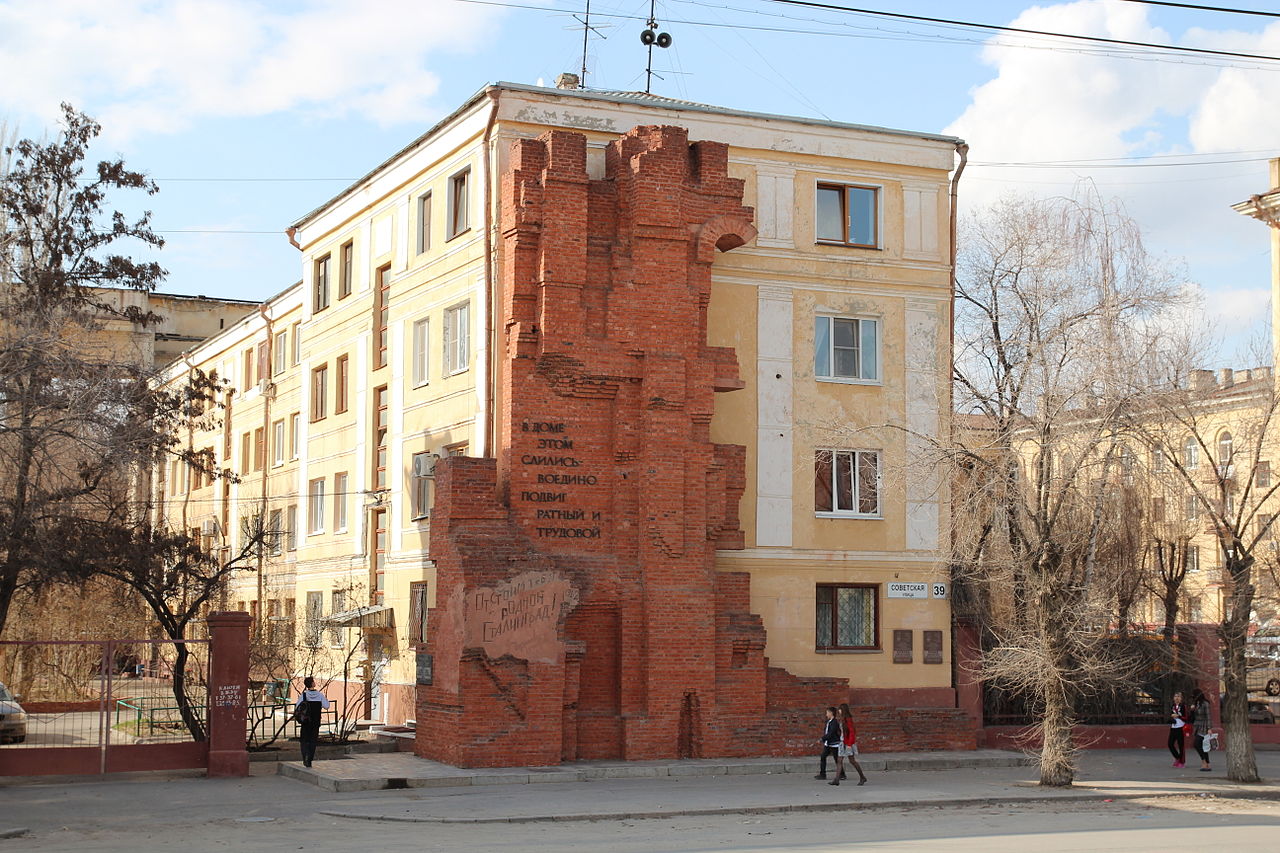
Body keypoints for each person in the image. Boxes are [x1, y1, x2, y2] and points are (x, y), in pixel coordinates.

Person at [294, 676, 331, 768]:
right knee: (313, 740)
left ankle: (305, 756)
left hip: (306, 722)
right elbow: (326, 706)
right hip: (316, 721)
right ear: (312, 684)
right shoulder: (319, 695)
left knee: (304, 740)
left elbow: (297, 707)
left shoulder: (304, 695)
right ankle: (309, 758)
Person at [830, 702, 868, 786]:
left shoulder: (848, 720)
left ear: (843, 710)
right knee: (839, 760)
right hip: (842, 742)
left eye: (839, 709)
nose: (838, 710)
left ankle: (862, 777)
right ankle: (836, 779)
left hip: (847, 743)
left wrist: (849, 744)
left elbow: (852, 733)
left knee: (852, 761)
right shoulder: (842, 719)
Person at [815, 706, 841, 780]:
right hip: (828, 743)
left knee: (837, 759)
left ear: (831, 713)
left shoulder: (834, 722)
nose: (826, 714)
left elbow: (831, 733)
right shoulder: (828, 722)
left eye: (827, 713)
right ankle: (822, 774)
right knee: (823, 757)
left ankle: (842, 774)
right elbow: (827, 732)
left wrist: (822, 739)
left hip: (834, 744)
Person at [1190, 688, 1212, 772]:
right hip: (1197, 726)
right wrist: (1192, 710)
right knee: (1202, 746)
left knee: (1198, 744)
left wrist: (1209, 728)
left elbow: (1208, 716)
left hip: (1204, 726)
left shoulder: (1205, 704)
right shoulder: (1196, 704)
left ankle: (1204, 762)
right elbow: (1192, 717)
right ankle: (1207, 763)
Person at [1168, 690, 1187, 768]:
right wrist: (1171, 717)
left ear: (1181, 698)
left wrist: (1178, 716)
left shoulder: (1183, 706)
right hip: (1173, 727)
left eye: (1179, 697)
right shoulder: (1172, 706)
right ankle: (1177, 757)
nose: (1177, 698)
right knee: (1170, 744)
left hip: (1181, 727)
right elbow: (1170, 715)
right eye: (1175, 696)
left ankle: (1182, 762)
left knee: (1181, 745)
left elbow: (1186, 718)